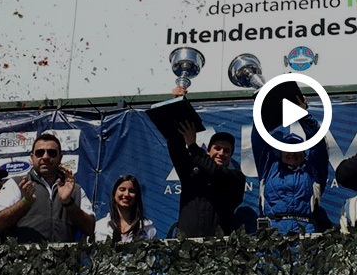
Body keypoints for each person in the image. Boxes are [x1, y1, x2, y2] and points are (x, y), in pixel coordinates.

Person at [168, 85, 246, 237]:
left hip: (219, 246)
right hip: (186, 244)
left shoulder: (236, 178)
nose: (221, 153)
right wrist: (177, 105)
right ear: (208, 151)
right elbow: (175, 147)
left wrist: (192, 145)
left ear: (231, 156)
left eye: (226, 151)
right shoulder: (191, 172)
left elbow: (216, 173)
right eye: (217, 148)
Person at [0, 134, 96, 243]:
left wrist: (68, 203)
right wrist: (25, 202)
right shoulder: (15, 184)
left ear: (60, 158)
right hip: (23, 254)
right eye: (39, 153)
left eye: (52, 153)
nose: (45, 157)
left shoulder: (75, 190)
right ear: (32, 158)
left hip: (64, 254)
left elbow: (90, 229)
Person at [252, 96, 329, 233]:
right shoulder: (269, 167)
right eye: (287, 149)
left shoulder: (312, 170)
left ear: (304, 153)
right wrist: (262, 107)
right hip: (273, 233)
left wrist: (303, 114)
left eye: (297, 149)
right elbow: (258, 137)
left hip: (305, 232)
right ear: (280, 152)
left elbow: (319, 143)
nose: (292, 153)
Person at [95, 175, 156, 242]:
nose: (126, 194)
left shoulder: (148, 229)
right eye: (122, 190)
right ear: (114, 194)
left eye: (131, 191)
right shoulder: (99, 228)